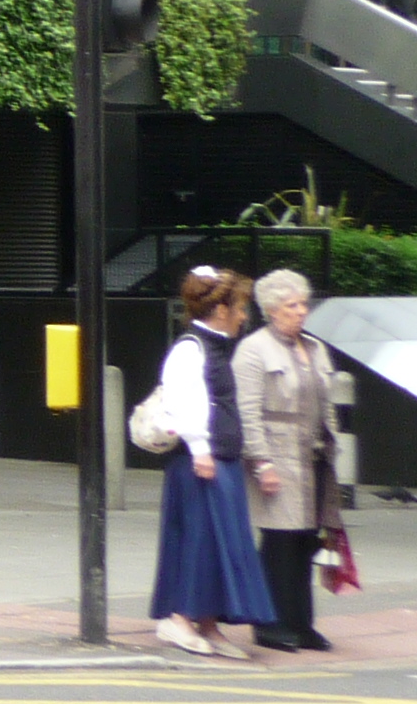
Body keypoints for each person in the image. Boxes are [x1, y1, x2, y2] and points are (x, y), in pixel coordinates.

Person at [148, 266, 280, 659]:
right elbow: (181, 400)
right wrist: (200, 448)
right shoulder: (191, 348)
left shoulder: (216, 345)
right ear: (220, 309)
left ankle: (209, 624)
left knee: (221, 544)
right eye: (240, 307)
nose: (244, 315)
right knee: (199, 543)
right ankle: (179, 620)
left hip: (219, 460)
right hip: (200, 463)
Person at [236, 268, 346, 652]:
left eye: (303, 303)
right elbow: (248, 412)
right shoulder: (253, 349)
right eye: (291, 305)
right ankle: (269, 624)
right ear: (271, 309)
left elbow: (326, 403)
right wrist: (261, 462)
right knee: (280, 542)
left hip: (314, 459)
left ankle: (302, 624)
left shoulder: (315, 348)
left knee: (305, 542)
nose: (301, 311)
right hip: (278, 458)